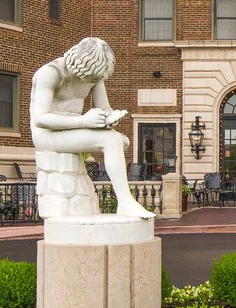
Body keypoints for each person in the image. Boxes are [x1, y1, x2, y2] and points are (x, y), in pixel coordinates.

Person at [30, 37, 155, 219]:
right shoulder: (51, 73)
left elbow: (105, 108)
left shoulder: (94, 76)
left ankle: (126, 203)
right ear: (81, 63)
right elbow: (40, 119)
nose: (92, 81)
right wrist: (84, 121)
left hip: (73, 130)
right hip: (48, 135)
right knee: (111, 140)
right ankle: (125, 203)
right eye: (90, 77)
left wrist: (110, 118)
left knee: (122, 141)